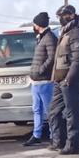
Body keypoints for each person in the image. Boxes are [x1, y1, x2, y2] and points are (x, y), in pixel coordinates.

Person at [49, 5, 79, 155]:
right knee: (54, 111)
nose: (61, 18)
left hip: (69, 80)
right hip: (59, 79)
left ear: (72, 15)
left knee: (72, 113)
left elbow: (78, 58)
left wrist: (69, 78)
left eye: (64, 15)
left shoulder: (77, 32)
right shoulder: (65, 32)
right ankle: (58, 141)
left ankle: (73, 145)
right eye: (59, 15)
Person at [25, 12, 56, 147]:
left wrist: (41, 70)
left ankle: (53, 135)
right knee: (37, 109)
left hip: (44, 80)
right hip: (36, 80)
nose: (33, 26)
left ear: (38, 25)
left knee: (49, 110)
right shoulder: (41, 38)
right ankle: (37, 134)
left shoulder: (49, 38)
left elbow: (52, 57)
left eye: (34, 24)